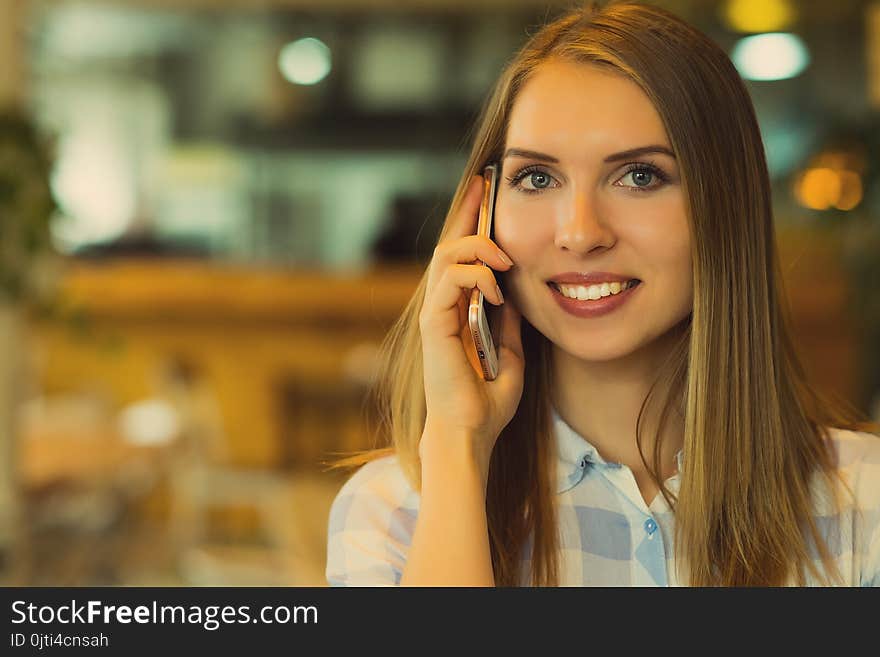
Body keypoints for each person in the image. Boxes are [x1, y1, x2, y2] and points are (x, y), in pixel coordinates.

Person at [323, 0, 880, 586]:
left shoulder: (862, 505)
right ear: (482, 215)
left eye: (640, 176)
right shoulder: (393, 515)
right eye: (537, 178)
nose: (581, 233)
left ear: (726, 207)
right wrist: (458, 445)